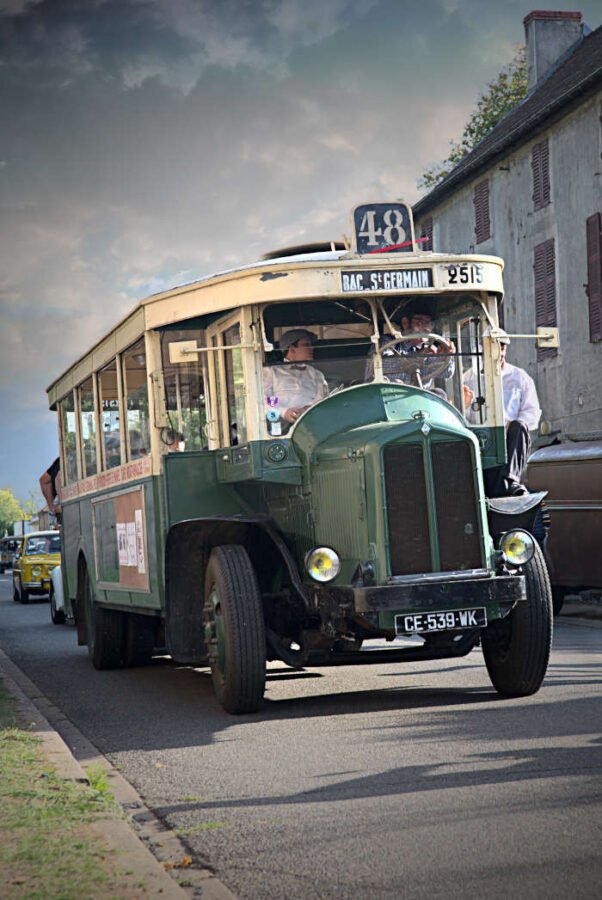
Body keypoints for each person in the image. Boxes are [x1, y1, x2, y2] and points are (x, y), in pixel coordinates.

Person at [465, 330, 541, 496]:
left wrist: (509, 426)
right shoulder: (468, 378)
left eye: (501, 347)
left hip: (508, 443)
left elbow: (532, 414)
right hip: (480, 440)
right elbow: (462, 416)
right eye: (491, 347)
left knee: (520, 426)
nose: (497, 352)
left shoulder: (520, 377)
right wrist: (466, 405)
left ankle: (510, 480)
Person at [364, 299, 455, 391]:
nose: (426, 329)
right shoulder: (387, 342)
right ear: (405, 323)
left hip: (419, 400)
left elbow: (447, 374)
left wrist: (445, 355)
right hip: (384, 396)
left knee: (440, 393)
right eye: (419, 322)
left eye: (428, 323)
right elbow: (382, 364)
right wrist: (417, 357)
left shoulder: (429, 350)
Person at [263, 329, 329, 432]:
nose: (311, 348)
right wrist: (284, 412)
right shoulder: (271, 372)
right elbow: (262, 400)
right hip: (280, 428)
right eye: (306, 344)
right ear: (292, 349)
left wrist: (308, 409)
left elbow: (323, 399)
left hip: (312, 426)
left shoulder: (317, 374)